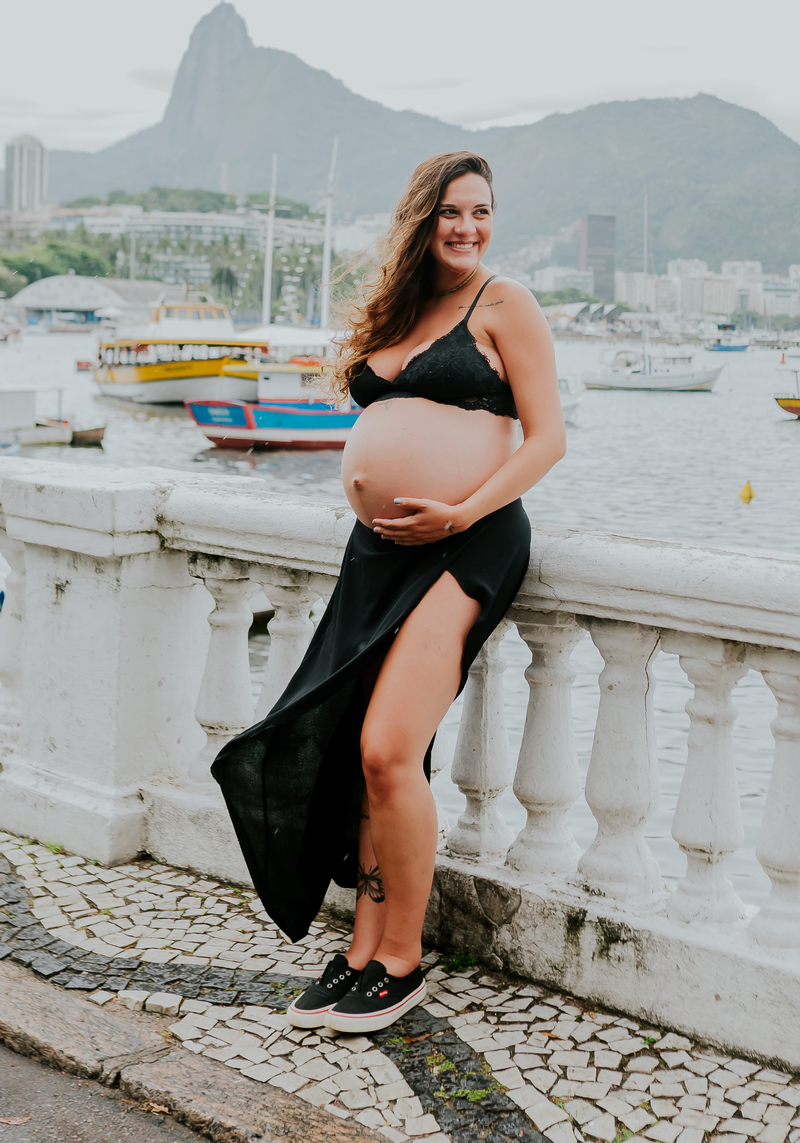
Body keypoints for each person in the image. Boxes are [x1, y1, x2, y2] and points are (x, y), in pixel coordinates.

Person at [211, 151, 566, 1032]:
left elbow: (547, 439)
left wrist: (461, 510)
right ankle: (363, 945)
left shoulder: (505, 304)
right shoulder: (404, 306)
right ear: (421, 218)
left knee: (385, 748)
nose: (469, 228)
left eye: (482, 212)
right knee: (354, 753)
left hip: (470, 543)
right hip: (378, 554)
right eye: (452, 212)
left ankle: (402, 959)